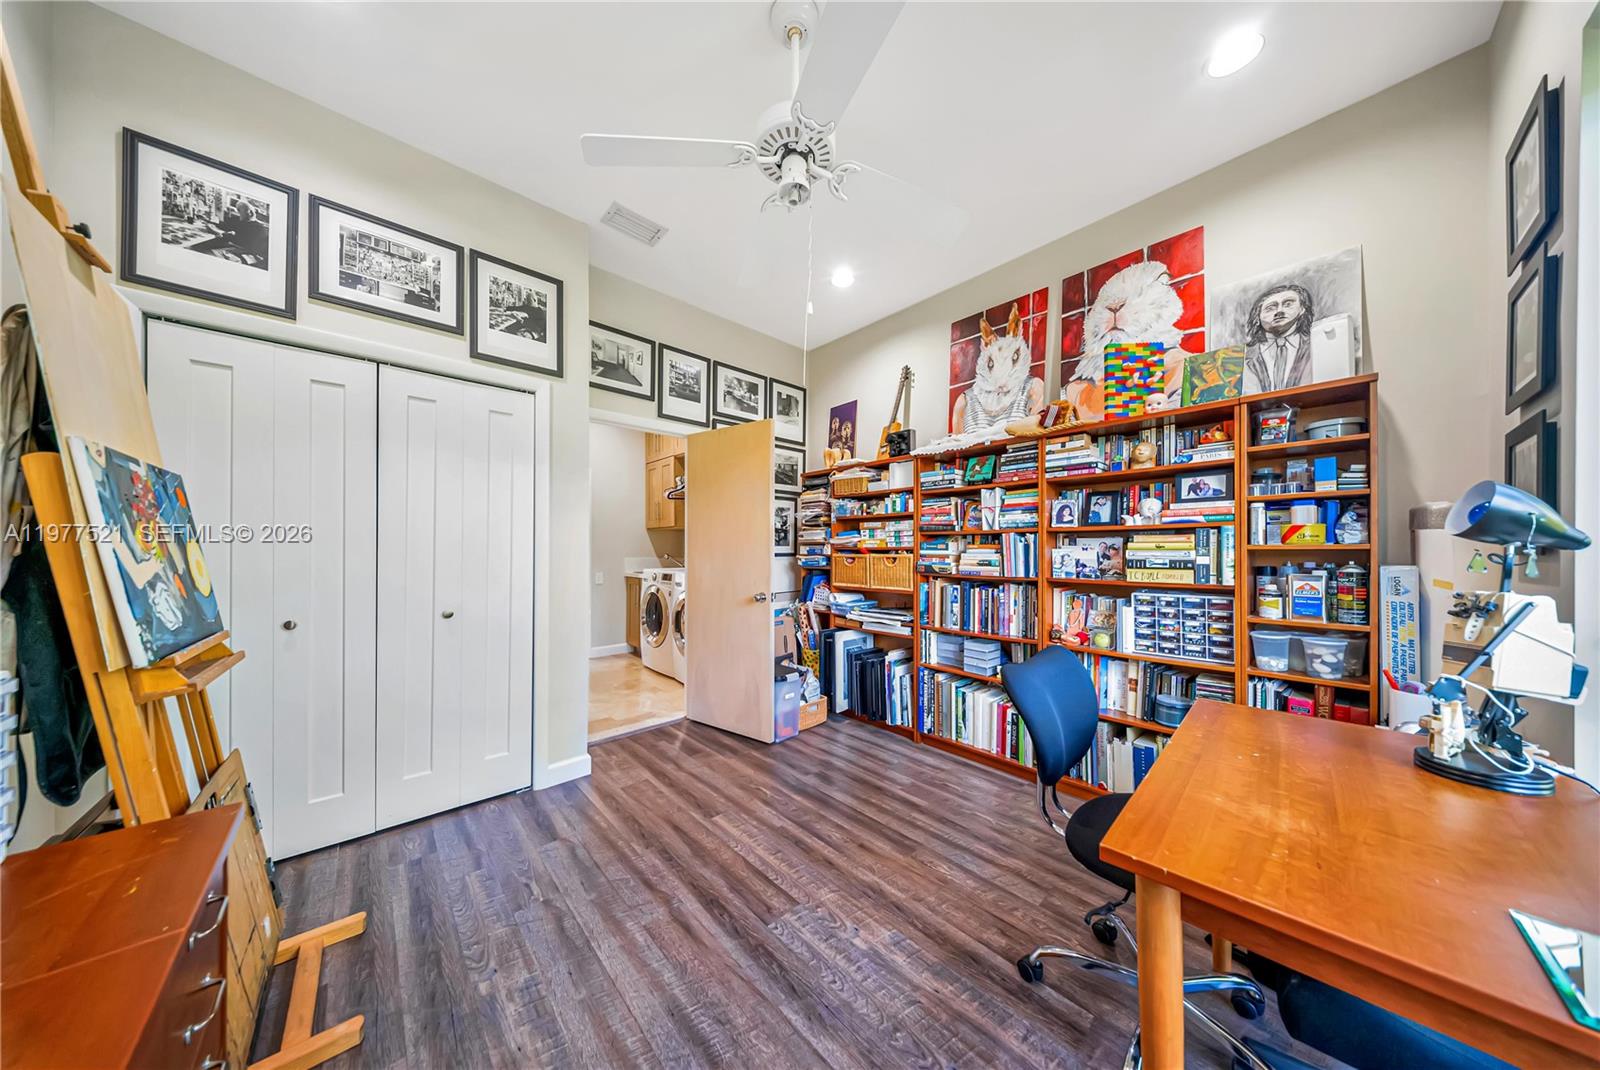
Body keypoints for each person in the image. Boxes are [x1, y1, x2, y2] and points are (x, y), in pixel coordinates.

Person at [1241, 283, 1313, 394]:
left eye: (1288, 304)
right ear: (1258, 317)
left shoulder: (1314, 346)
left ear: (1302, 309)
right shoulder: (1244, 356)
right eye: (1270, 308)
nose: (1279, 311)